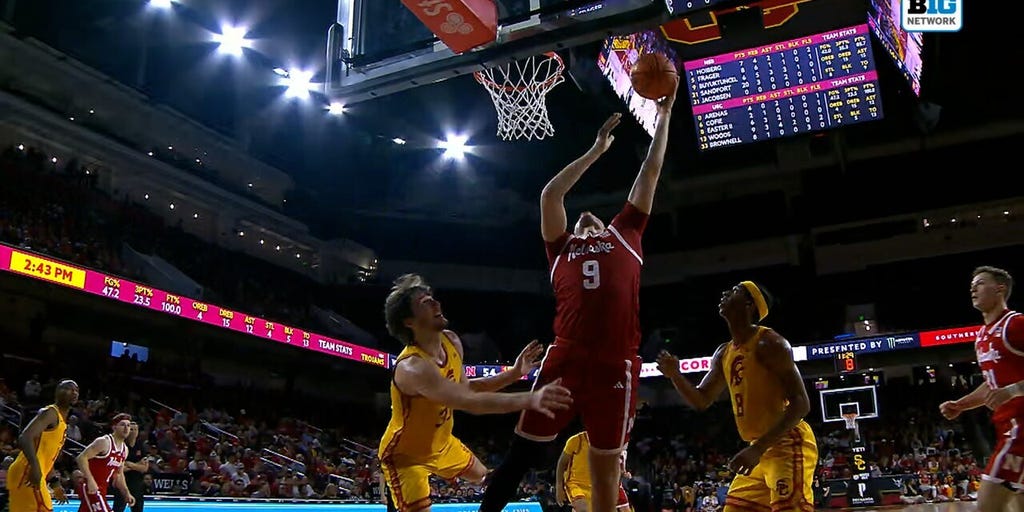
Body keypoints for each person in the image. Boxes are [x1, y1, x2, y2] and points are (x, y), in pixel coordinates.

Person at [481, 78, 677, 512]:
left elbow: (651, 169)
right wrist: (596, 151)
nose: (586, 217)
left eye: (593, 216)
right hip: (565, 359)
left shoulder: (626, 233)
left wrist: (663, 117)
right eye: (580, 217)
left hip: (616, 363)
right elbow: (551, 194)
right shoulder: (560, 247)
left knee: (606, 475)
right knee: (521, 455)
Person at [378, 274, 572, 512]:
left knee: (488, 479)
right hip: (407, 457)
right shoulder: (413, 367)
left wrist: (514, 374)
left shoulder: (451, 341)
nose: (436, 303)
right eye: (425, 303)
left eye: (433, 298)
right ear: (409, 321)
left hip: (443, 444)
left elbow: (467, 388)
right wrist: (531, 399)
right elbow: (469, 402)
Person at [656, 281, 817, 512]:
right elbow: (701, 400)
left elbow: (801, 404)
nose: (724, 293)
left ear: (750, 304)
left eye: (734, 291)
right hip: (758, 448)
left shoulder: (770, 342)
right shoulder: (724, 352)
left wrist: (757, 449)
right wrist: (675, 375)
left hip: (786, 444)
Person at [940, 266, 1024, 511]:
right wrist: (961, 405)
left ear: (1000, 289)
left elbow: (1004, 389)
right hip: (1007, 427)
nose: (972, 288)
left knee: (987, 505)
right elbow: (992, 383)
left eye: (980, 283)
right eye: (971, 285)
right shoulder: (982, 336)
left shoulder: (1016, 324)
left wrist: (1011, 391)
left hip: (1020, 432)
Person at [5, 380, 78, 512]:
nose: (74, 392)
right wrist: (35, 468)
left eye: (76, 390)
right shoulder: (50, 412)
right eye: (68, 388)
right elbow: (25, 437)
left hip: (29, 473)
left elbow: (47, 458)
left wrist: (55, 483)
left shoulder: (62, 424)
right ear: (57, 394)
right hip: (27, 472)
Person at [555, 431, 632, 512]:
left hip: (597, 487)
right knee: (583, 509)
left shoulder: (606, 444)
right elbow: (561, 463)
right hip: (575, 484)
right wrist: (559, 487)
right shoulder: (577, 440)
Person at [76, 413, 134, 512]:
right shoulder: (104, 442)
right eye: (122, 424)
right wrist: (90, 480)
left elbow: (119, 475)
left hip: (103, 489)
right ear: (114, 427)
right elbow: (81, 458)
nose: (126, 428)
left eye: (128, 425)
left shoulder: (125, 450)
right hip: (90, 486)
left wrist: (126, 493)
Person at [113, 421, 148, 512]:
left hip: (137, 486)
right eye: (131, 429)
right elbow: (119, 469)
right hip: (122, 484)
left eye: (136, 429)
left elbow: (144, 468)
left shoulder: (141, 446)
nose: (133, 431)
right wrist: (137, 465)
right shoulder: (121, 445)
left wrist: (129, 464)